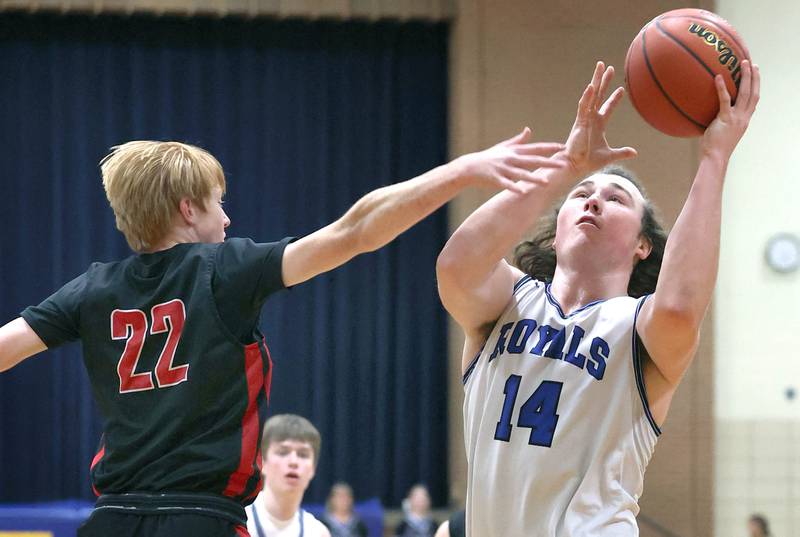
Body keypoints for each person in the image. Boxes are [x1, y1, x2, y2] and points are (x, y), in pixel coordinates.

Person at [0, 130, 565, 536]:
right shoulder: (222, 269)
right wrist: (461, 171)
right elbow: (356, 231)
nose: (227, 221)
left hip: (111, 521)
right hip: (199, 518)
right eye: (220, 205)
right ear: (189, 207)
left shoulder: (92, 289)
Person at [436, 60, 759, 536]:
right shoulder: (506, 300)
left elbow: (678, 306)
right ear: (553, 234)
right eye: (582, 193)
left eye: (616, 198)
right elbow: (455, 265)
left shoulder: (638, 327)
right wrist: (564, 165)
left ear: (642, 245)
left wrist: (714, 157)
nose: (592, 199)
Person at [245, 414, 329, 537]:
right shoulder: (239, 521)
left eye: (303, 454)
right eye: (283, 452)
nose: (293, 461)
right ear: (262, 462)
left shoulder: (318, 532)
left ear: (313, 468)